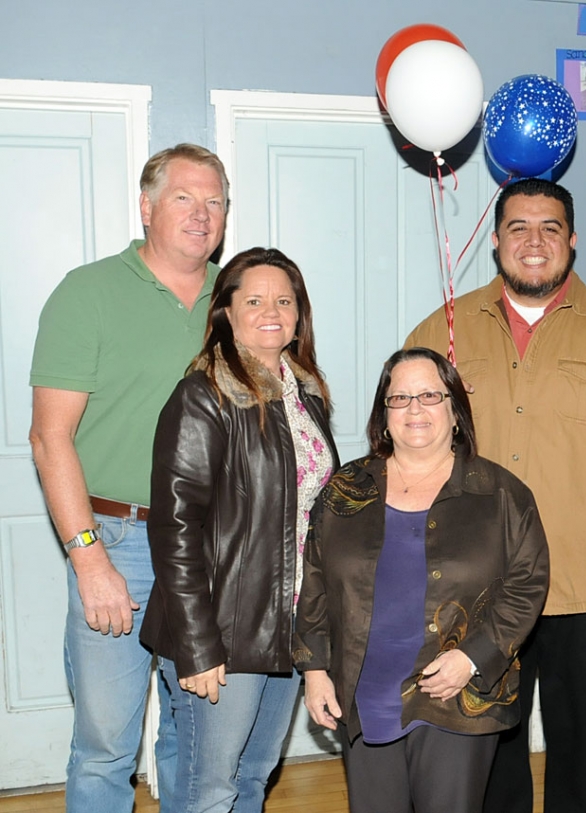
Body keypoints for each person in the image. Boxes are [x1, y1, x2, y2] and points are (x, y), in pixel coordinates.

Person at [406, 178, 586, 813]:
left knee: (581, 751)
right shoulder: (443, 329)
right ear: (498, 241)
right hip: (479, 589)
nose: (534, 242)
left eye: (550, 229)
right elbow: (406, 446)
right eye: (518, 229)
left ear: (573, 240)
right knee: (491, 751)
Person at [28, 143, 228, 812]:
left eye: (215, 202)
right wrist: (88, 558)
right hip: (116, 540)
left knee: (194, 737)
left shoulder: (237, 301)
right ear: (146, 207)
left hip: (210, 549)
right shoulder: (88, 293)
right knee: (105, 747)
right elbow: (49, 434)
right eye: (184, 198)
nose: (201, 215)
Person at [296, 347, 549, 813]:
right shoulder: (346, 490)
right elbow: (314, 581)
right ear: (383, 414)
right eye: (400, 398)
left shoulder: (502, 494)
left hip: (455, 692)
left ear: (455, 410)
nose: (415, 409)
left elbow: (527, 584)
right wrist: (315, 669)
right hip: (365, 689)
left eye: (430, 395)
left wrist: (472, 660)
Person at [140, 247, 338, 812]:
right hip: (225, 631)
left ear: (300, 313)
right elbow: (176, 530)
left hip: (290, 623)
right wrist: (200, 648)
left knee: (253, 778)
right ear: (226, 311)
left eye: (284, 300)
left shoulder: (305, 395)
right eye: (253, 299)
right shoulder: (204, 395)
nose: (271, 311)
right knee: (211, 789)